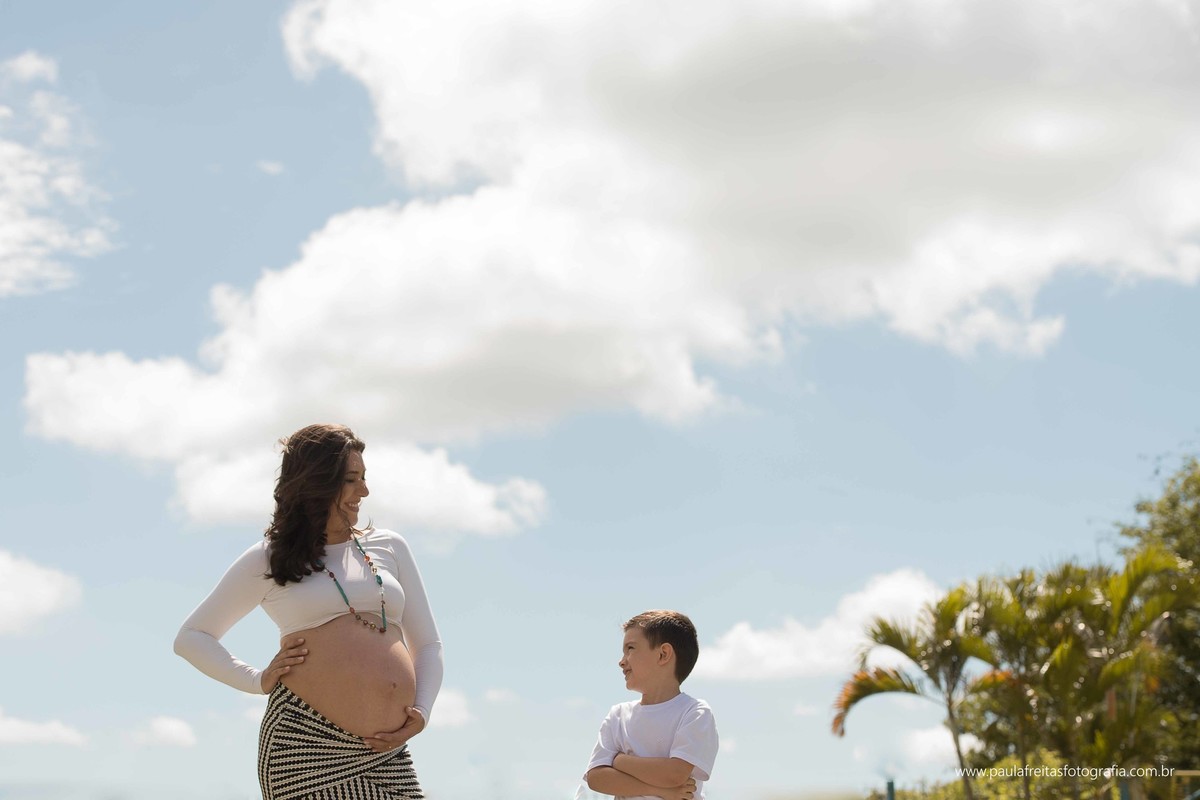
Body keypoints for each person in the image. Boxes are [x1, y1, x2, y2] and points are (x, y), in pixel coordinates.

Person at [174, 423, 442, 799]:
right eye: (351, 480)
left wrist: (422, 712)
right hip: (303, 745)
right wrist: (257, 679)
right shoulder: (268, 558)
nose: (364, 491)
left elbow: (428, 644)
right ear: (317, 482)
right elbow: (191, 638)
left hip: (385, 753)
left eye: (364, 478)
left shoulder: (390, 546)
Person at [583, 610, 719, 800]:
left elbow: (674, 774)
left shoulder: (694, 712)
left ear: (663, 654)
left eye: (630, 648)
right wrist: (661, 791)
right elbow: (596, 778)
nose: (621, 662)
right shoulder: (618, 715)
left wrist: (619, 760)